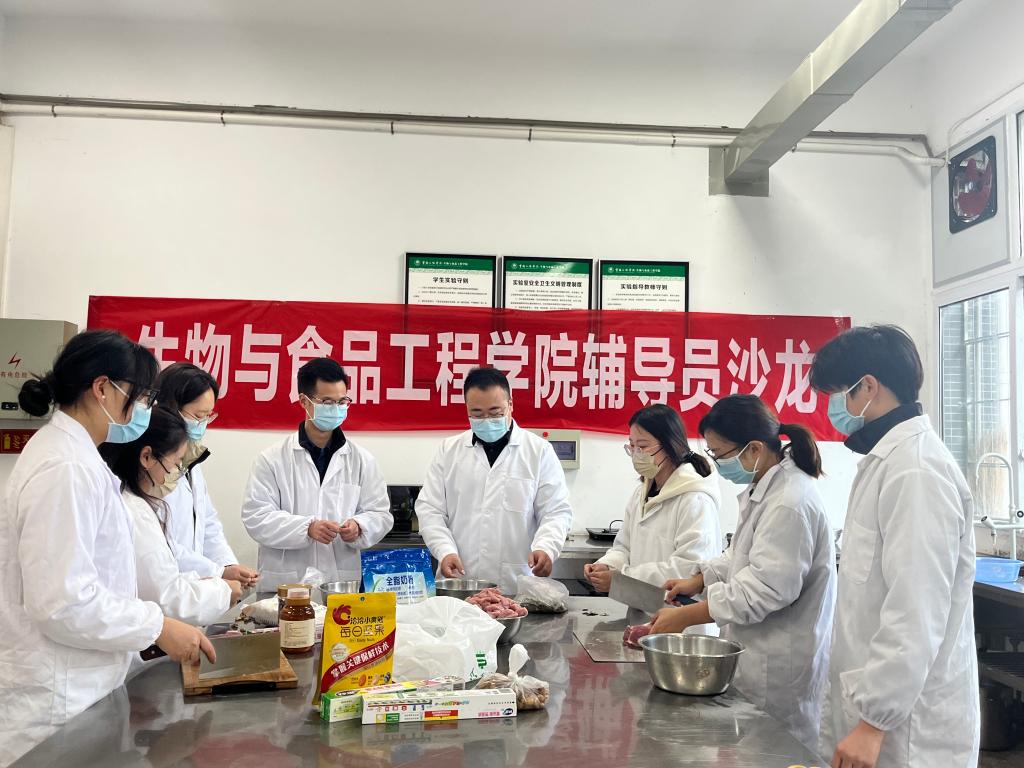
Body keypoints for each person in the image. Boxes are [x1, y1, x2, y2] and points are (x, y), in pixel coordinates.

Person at [0, 330, 214, 765]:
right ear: (103, 389)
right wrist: (157, 626)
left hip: (79, 686)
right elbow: (63, 604)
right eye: (144, 396)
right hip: (58, 699)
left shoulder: (78, 458)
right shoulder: (67, 468)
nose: (147, 409)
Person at [808, 325, 979, 768]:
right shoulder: (888, 462)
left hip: (908, 732)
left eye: (837, 395)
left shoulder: (916, 471)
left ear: (868, 387)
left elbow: (916, 608)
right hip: (876, 712)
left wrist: (873, 723)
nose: (833, 409)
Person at [649, 394, 836, 751]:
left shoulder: (790, 502)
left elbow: (764, 589)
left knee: (776, 752)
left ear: (754, 449)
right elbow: (741, 555)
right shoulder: (766, 487)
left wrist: (688, 615)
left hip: (779, 667)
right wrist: (699, 579)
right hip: (758, 655)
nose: (718, 463)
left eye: (720, 454)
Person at [416, 367, 573, 592]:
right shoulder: (449, 451)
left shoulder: (538, 451)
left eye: (495, 412)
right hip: (461, 581)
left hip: (517, 583)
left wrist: (546, 547)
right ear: (467, 409)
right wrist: (445, 550)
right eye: (477, 414)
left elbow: (556, 511)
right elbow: (430, 510)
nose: (486, 420)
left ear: (510, 405)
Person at [241, 357, 392, 590]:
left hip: (341, 583)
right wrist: (307, 528)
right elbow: (256, 517)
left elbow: (381, 514)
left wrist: (360, 526)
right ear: (304, 401)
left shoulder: (362, 460)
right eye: (327, 402)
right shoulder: (272, 459)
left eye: (342, 401)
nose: (336, 409)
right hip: (287, 583)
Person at [101, 406, 241, 626]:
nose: (177, 472)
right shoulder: (134, 512)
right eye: (176, 463)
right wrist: (222, 591)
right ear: (146, 457)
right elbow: (167, 597)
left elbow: (164, 571)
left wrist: (210, 578)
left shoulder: (137, 504)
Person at [583, 404, 722, 602]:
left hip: (680, 612)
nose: (636, 454)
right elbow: (624, 547)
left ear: (670, 445)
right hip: (644, 607)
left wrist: (623, 578)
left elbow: (689, 569)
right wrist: (607, 565)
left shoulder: (695, 499)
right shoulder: (642, 492)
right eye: (632, 446)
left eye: (643, 446)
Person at [154, 362, 258, 589]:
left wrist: (227, 565)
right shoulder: (150, 466)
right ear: (170, 408)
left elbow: (208, 523)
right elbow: (158, 542)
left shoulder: (191, 462)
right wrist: (218, 571)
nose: (202, 425)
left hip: (191, 587)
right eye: (198, 415)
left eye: (208, 416)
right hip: (162, 586)